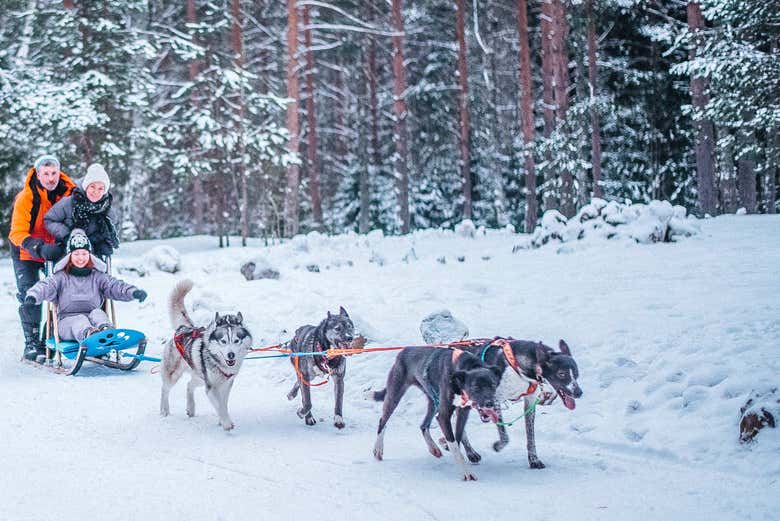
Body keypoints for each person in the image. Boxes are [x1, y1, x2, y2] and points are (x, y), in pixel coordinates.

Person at [24, 229, 147, 345]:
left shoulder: (97, 276)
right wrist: (32, 297)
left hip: (92, 318)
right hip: (67, 322)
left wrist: (133, 292)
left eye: (84, 253)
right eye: (76, 254)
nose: (81, 258)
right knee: (80, 320)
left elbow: (115, 286)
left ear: (90, 255)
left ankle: (106, 332)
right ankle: (90, 336)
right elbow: (45, 286)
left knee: (98, 313)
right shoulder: (60, 277)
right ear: (69, 256)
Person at [9, 154, 76, 360]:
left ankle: (52, 334)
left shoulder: (69, 193)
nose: (50, 178)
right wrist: (37, 246)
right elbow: (16, 232)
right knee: (30, 293)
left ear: (59, 172)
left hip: (56, 249)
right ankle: (32, 342)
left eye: (54, 173)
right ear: (38, 174)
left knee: (67, 289)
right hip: (26, 250)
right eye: (45, 174)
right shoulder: (26, 197)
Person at [45, 163, 119, 259]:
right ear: (86, 186)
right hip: (67, 247)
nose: (96, 192)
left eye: (100, 188)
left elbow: (115, 226)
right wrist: (67, 235)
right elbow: (49, 220)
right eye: (92, 186)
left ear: (105, 191)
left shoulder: (106, 208)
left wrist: (99, 240)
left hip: (93, 250)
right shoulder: (69, 202)